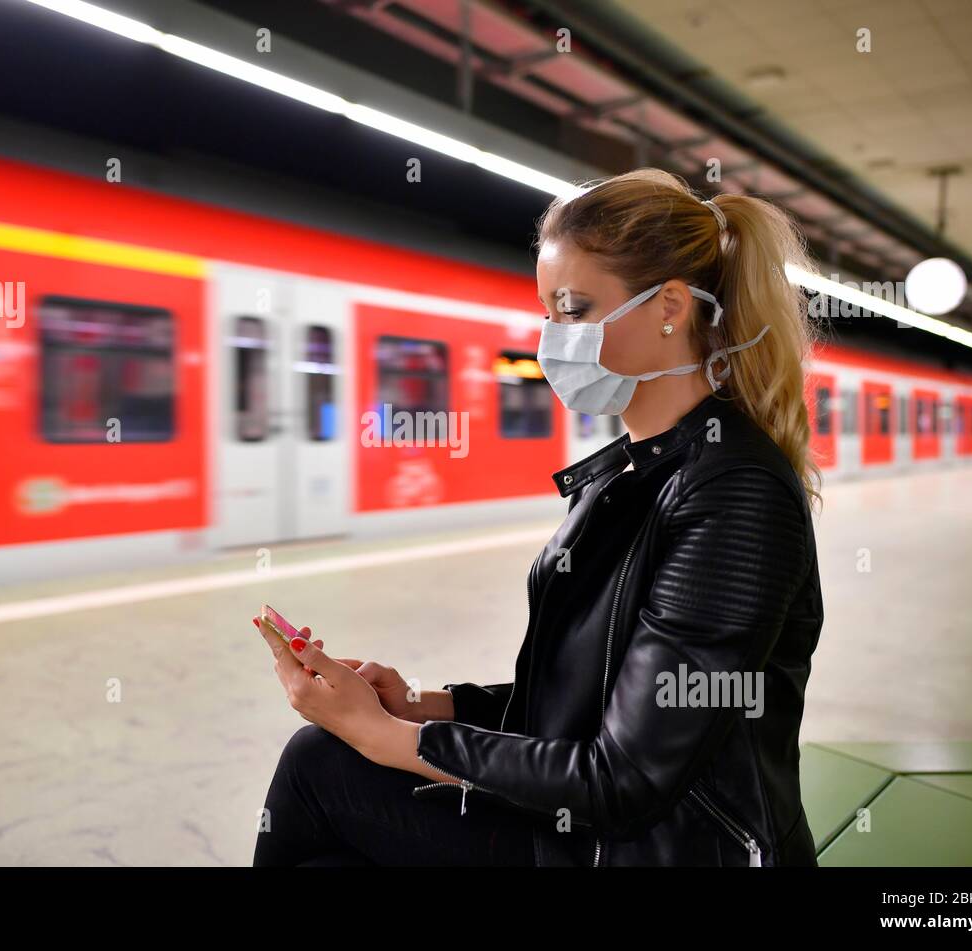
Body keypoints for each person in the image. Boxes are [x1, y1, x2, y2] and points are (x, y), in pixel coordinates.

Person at [252, 168, 824, 866]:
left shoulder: (735, 492)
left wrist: (388, 738)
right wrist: (423, 706)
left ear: (670, 307)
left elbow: (625, 779)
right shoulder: (632, 469)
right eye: (547, 314)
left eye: (574, 310)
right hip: (601, 835)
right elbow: (591, 701)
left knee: (321, 775)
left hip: (662, 848)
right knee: (321, 766)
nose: (552, 339)